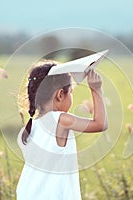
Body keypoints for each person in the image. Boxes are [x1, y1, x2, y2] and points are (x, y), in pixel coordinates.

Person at [16, 60, 108, 200]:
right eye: (70, 92)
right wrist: (96, 89)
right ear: (60, 95)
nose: (71, 96)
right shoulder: (59, 120)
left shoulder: (27, 130)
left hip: (27, 194)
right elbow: (100, 124)